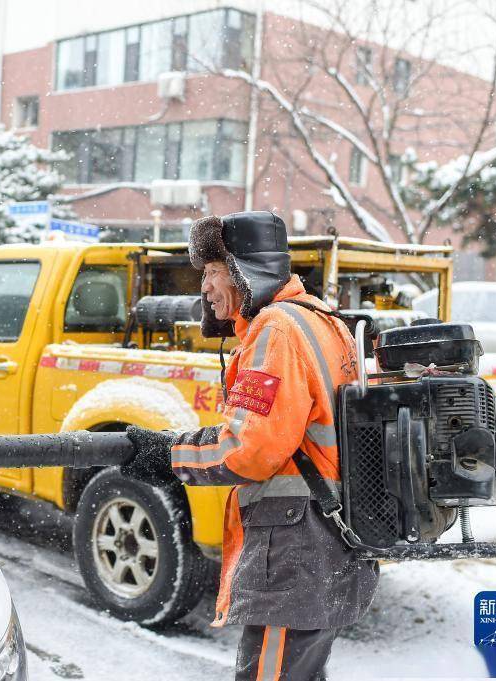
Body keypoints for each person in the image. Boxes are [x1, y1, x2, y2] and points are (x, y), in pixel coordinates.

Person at [124, 211, 379, 681]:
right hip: (330, 538)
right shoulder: (324, 320)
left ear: (244, 270)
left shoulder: (276, 329)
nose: (204, 288)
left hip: (295, 544)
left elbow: (251, 450)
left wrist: (168, 456)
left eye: (213, 273)